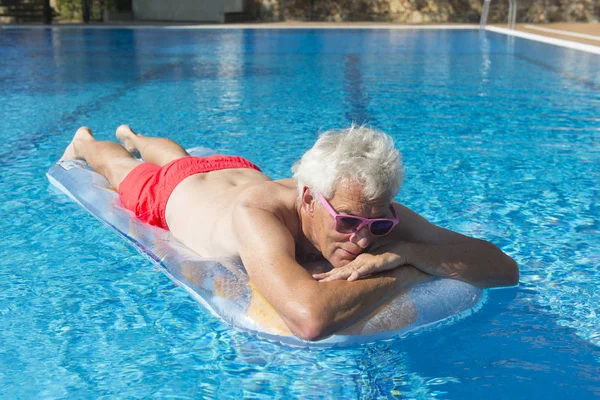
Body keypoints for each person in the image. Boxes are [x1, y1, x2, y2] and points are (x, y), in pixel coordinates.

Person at [60, 124, 519, 341]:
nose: (363, 240)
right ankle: (94, 140)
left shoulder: (369, 206)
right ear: (306, 199)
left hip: (234, 168)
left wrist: (401, 245)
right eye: (347, 223)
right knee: (119, 166)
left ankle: (139, 136)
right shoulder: (257, 215)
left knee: (178, 152)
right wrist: (410, 269)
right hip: (172, 194)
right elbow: (309, 319)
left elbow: (503, 267)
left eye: (376, 227)